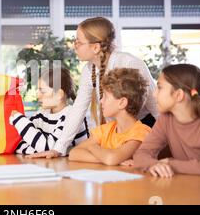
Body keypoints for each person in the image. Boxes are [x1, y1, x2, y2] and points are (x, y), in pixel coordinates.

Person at [28, 17, 158, 159]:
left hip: (144, 127)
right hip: (116, 130)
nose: (74, 45)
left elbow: (157, 108)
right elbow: (78, 109)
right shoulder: (89, 70)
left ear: (95, 47)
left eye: (78, 41)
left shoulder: (130, 63)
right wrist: (58, 149)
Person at [133, 64, 200, 177]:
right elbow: (141, 154)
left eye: (159, 87)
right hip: (185, 187)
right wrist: (153, 165)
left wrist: (175, 165)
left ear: (178, 95)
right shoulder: (166, 120)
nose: (154, 94)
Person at [69, 68, 151, 165]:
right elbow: (73, 154)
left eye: (106, 96)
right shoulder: (105, 130)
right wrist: (109, 159)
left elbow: (111, 159)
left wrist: (93, 147)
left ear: (122, 103)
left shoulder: (141, 132)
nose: (101, 101)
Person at [10, 67, 88, 154]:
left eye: (42, 91)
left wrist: (19, 120)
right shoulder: (41, 114)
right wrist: (38, 149)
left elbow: (49, 149)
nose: (38, 95)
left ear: (59, 94)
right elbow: (18, 143)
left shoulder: (72, 116)